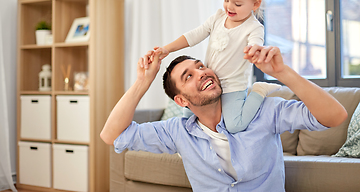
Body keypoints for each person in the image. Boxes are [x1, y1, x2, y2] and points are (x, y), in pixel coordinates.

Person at [100, 45, 347, 192]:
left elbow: (335, 116)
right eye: (188, 76)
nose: (202, 73)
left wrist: (282, 72)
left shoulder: (263, 110)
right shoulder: (178, 132)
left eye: (200, 66)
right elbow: (111, 135)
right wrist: (143, 82)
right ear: (181, 101)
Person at [145, 0, 281, 133]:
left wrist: (253, 50)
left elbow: (256, 44)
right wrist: (167, 49)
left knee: (234, 125)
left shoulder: (254, 28)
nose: (229, 7)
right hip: (211, 81)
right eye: (226, 0)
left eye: (237, 4)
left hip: (233, 86)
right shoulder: (218, 17)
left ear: (255, 4)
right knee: (188, 118)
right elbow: (195, 35)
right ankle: (187, 145)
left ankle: (259, 91)